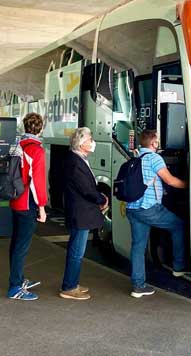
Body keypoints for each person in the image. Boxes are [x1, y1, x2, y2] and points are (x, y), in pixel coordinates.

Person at [126, 130, 188, 298]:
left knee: (138, 247)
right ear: (153, 143)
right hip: (149, 209)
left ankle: (138, 287)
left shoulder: (136, 157)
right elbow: (170, 180)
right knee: (178, 225)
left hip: (133, 208)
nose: (159, 143)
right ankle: (178, 267)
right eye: (157, 141)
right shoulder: (154, 158)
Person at [59, 127, 109, 301]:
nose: (92, 142)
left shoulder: (77, 159)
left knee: (77, 250)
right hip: (80, 213)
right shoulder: (75, 162)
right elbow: (86, 189)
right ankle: (69, 287)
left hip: (80, 211)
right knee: (76, 252)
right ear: (81, 143)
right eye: (90, 139)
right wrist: (101, 199)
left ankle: (72, 283)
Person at [7, 113, 47, 301]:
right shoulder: (36, 150)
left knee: (16, 242)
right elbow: (37, 182)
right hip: (27, 202)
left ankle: (18, 278)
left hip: (14, 199)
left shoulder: (17, 145)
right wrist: (42, 207)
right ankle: (15, 286)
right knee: (21, 246)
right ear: (40, 128)